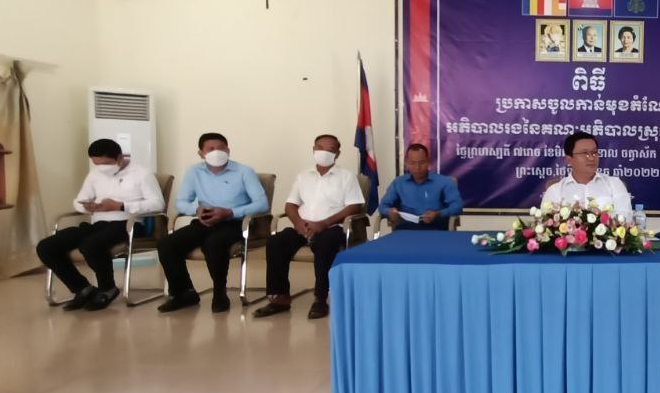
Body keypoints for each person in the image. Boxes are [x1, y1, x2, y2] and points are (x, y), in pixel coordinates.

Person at [35, 139, 164, 311]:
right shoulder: (94, 175)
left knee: (90, 244)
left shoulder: (141, 173)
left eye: (106, 164)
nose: (101, 168)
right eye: (97, 164)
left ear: (120, 157)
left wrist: (121, 206)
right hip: (98, 223)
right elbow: (79, 200)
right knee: (46, 247)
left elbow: (157, 203)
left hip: (128, 224)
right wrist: (86, 207)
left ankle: (107, 288)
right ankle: (82, 288)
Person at [254, 134, 364, 321]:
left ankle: (320, 299)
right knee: (276, 242)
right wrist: (298, 222)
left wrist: (324, 223)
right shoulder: (303, 176)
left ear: (337, 154)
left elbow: (354, 206)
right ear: (313, 150)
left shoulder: (346, 177)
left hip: (331, 227)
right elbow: (290, 205)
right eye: (320, 148)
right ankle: (279, 298)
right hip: (302, 226)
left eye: (330, 149)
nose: (324, 152)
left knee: (325, 244)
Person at [157, 132, 269, 313]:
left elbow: (262, 204)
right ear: (201, 153)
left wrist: (230, 212)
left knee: (213, 243)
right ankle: (183, 293)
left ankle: (219, 293)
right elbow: (181, 202)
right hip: (205, 220)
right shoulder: (194, 171)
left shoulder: (244, 171)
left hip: (235, 222)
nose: (217, 152)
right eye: (210, 149)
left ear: (228, 151)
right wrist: (197, 210)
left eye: (221, 148)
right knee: (166, 244)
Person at [543, 131, 633, 217]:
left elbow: (626, 218)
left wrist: (602, 218)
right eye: (584, 153)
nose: (591, 158)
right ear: (569, 159)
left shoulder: (614, 184)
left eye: (594, 152)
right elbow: (546, 222)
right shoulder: (555, 191)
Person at [381, 143, 462, 231]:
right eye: (413, 163)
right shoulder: (398, 183)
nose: (417, 167)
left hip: (436, 231)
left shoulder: (444, 182)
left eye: (422, 162)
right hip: (405, 231)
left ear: (428, 161)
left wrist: (438, 214)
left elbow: (457, 206)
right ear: (406, 163)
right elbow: (383, 206)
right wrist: (389, 212)